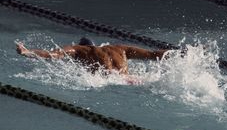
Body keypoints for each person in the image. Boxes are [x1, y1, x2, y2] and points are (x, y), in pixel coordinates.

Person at [16, 37, 170, 75]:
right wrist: (180, 54)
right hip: (134, 81)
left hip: (110, 81)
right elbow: (153, 54)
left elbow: (53, 55)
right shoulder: (119, 48)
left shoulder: (79, 50)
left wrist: (27, 51)